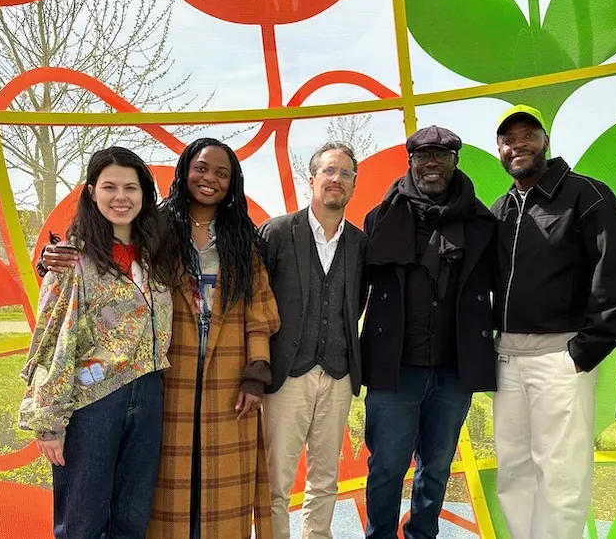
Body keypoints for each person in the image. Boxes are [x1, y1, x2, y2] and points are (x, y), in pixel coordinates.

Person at [39, 137, 281, 539]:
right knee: (151, 494)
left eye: (223, 173)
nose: (210, 179)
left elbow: (259, 310)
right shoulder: (159, 229)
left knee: (192, 492)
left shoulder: (243, 240)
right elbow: (93, 257)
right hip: (168, 377)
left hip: (224, 376)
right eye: (202, 168)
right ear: (185, 170)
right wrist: (50, 259)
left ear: (233, 183)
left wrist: (256, 371)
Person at [491, 104, 616, 539]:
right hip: (507, 357)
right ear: (499, 149)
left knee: (561, 474)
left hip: (561, 355)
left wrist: (582, 353)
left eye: (527, 135)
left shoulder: (586, 194)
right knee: (514, 470)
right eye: (508, 139)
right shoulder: (502, 207)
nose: (517, 144)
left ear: (545, 141)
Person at [20, 146, 175, 539]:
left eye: (131, 188)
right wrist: (49, 422)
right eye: (109, 187)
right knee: (82, 521)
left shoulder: (156, 256)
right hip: (92, 403)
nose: (120, 197)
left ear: (144, 194)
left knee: (132, 516)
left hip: (149, 391)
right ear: (91, 191)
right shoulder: (71, 260)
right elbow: (51, 340)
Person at [360, 126, 497, 538]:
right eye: (422, 156)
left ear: (455, 161)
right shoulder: (380, 218)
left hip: (454, 369)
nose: (431, 163)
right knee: (386, 466)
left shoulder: (480, 222)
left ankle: (423, 534)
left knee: (436, 467)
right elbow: (357, 290)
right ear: (411, 163)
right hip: (394, 367)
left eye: (440, 155)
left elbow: (502, 285)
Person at [258, 142, 368, 539]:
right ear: (313, 179)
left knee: (325, 480)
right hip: (287, 375)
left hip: (338, 375)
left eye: (345, 174)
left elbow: (355, 303)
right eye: (329, 171)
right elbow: (255, 300)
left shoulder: (360, 244)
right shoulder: (277, 232)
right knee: (276, 481)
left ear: (354, 185)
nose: (337, 179)